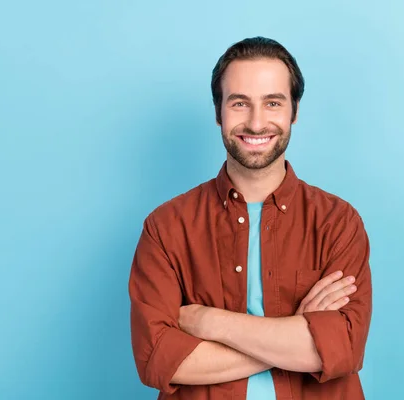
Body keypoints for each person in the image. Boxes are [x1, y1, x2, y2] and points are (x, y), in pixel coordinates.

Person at [129, 36, 372, 400]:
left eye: (273, 103)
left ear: (294, 111)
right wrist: (293, 335)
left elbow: (344, 349)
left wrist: (211, 323)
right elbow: (159, 362)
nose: (257, 123)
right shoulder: (166, 227)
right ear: (218, 113)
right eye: (240, 103)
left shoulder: (338, 223)